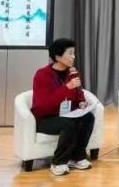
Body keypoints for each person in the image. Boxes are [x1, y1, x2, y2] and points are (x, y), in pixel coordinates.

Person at [30, 38, 95, 176]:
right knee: (68, 124)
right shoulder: (42, 75)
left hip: (67, 114)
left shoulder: (72, 72)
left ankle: (76, 157)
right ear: (58, 57)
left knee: (88, 118)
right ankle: (58, 162)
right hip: (46, 118)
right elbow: (44, 104)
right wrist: (67, 88)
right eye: (70, 53)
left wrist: (82, 102)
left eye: (74, 53)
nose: (73, 57)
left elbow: (79, 93)